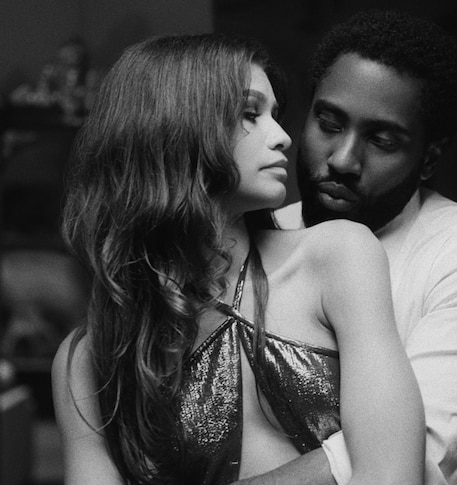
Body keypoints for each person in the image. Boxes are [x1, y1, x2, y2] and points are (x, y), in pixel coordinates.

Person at [51, 33, 425, 484]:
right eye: (251, 114)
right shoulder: (88, 359)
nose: (284, 137)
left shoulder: (339, 257)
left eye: (275, 115)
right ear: (176, 127)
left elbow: (392, 475)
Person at [265, 9, 457, 485]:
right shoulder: (257, 232)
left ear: (428, 158)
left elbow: (412, 460)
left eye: (382, 139)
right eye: (329, 123)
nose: (343, 160)